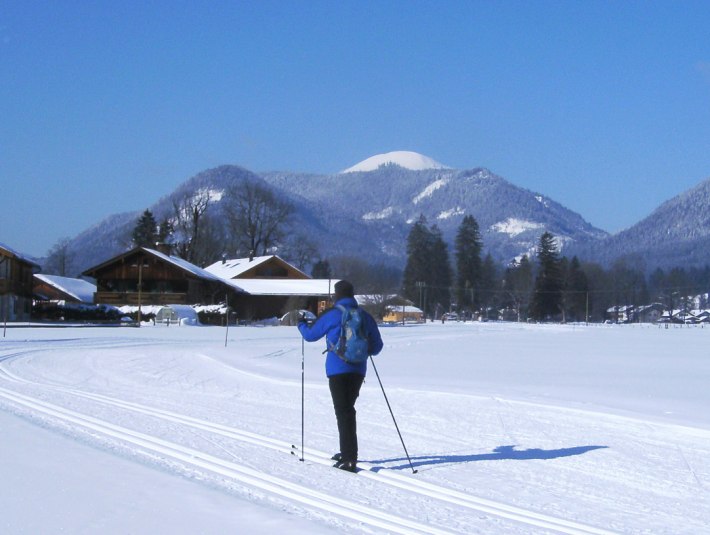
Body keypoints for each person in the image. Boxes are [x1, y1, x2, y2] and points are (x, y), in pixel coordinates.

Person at [297, 280, 383, 472]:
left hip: (337, 369)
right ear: (352, 295)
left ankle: (349, 458)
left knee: (344, 412)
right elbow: (377, 347)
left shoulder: (333, 314)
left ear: (336, 295)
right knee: (347, 409)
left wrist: (301, 324)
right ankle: (346, 452)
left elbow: (311, 335)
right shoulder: (364, 316)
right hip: (359, 370)